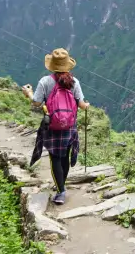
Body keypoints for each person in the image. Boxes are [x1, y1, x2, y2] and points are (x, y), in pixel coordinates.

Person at [21, 48, 90, 205]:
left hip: (52, 125)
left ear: (52, 65)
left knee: (55, 159)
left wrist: (29, 93)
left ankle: (61, 191)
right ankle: (61, 186)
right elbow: (81, 105)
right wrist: (87, 105)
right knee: (64, 156)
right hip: (69, 126)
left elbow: (36, 103)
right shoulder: (74, 82)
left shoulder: (45, 81)